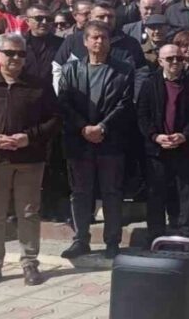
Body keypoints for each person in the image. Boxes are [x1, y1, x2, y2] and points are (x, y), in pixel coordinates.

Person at [0, 33, 60, 288]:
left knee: (28, 213)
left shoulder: (39, 86)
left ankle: (29, 262)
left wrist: (28, 138)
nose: (16, 58)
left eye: (21, 54)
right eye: (10, 53)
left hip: (29, 159)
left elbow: (54, 120)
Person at [57, 23, 134, 260]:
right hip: (79, 143)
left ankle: (112, 241)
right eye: (94, 38)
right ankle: (80, 240)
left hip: (110, 141)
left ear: (110, 41)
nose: (99, 42)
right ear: (85, 41)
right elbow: (64, 102)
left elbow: (124, 103)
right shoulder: (71, 70)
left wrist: (102, 126)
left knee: (112, 193)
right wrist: (83, 128)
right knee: (80, 193)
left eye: (103, 37)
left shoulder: (123, 70)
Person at [137, 43, 189, 242]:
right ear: (160, 61)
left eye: (179, 58)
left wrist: (185, 135)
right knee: (156, 192)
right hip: (157, 148)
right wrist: (155, 136)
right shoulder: (149, 84)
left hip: (186, 146)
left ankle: (187, 233)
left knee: (187, 191)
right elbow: (142, 116)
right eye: (170, 59)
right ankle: (155, 234)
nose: (176, 62)